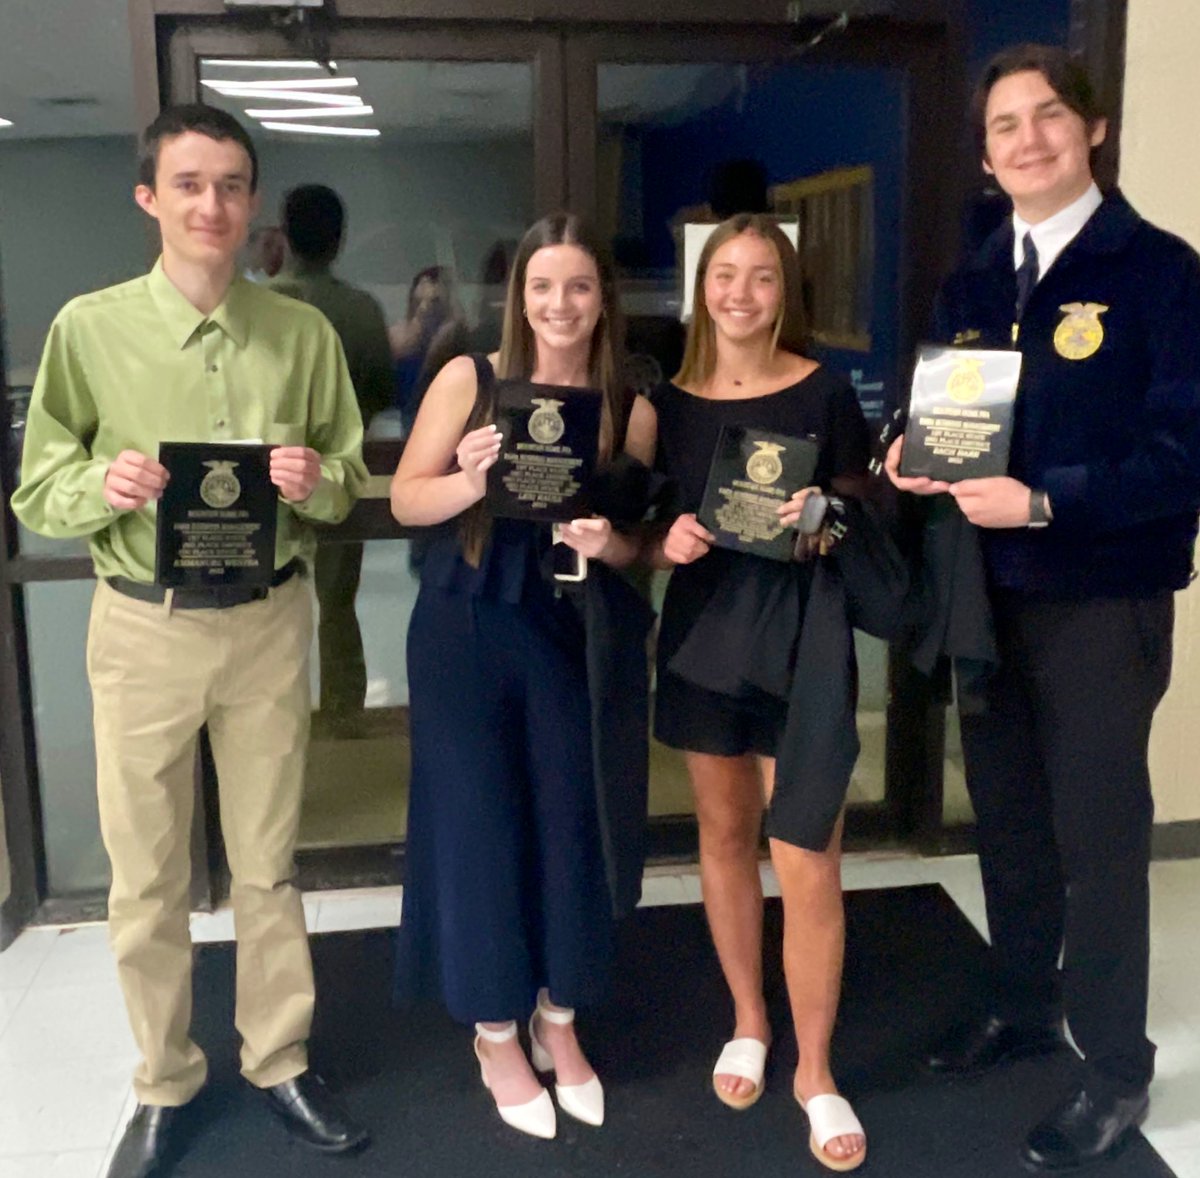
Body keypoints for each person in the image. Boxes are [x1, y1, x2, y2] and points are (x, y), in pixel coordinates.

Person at [12, 105, 370, 1178]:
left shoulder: (301, 333)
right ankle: (165, 1075)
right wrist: (97, 483)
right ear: (150, 197)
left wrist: (318, 481)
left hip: (266, 622)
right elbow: (37, 483)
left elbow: (348, 480)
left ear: (252, 201)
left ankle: (280, 1056)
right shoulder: (89, 327)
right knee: (146, 874)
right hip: (143, 627)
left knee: (267, 862)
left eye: (230, 185)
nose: (210, 204)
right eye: (189, 183)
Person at [886, 44, 1200, 1173]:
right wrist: (910, 454)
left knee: (1100, 843)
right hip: (987, 599)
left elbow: (1182, 458)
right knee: (1009, 822)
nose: (1028, 139)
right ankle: (1022, 1003)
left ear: (1094, 129)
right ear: (986, 154)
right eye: (1006, 126)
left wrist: (1044, 500)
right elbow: (947, 419)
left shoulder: (1160, 271)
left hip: (1098, 603)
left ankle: (1114, 1068)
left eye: (1048, 117)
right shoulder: (972, 280)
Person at [390, 212, 650, 1141]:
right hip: (464, 623)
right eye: (543, 286)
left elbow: (637, 547)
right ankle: (495, 1030)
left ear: (602, 299)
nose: (560, 304)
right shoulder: (472, 379)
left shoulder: (630, 403)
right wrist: (468, 480)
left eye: (579, 286)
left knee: (568, 822)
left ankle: (559, 1018)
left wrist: (605, 540)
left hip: (570, 627)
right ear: (520, 296)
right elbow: (405, 496)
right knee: (479, 824)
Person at [625, 213, 870, 1172]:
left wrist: (826, 519)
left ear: (785, 290)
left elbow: (865, 508)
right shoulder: (665, 405)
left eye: (761, 276)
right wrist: (665, 542)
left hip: (803, 650)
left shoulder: (825, 390)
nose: (740, 293)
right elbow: (636, 529)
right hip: (702, 646)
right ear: (701, 290)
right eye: (724, 275)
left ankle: (815, 1070)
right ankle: (749, 1018)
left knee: (806, 857)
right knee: (723, 839)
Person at [271, 183, 393, 733]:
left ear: (283, 233)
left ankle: (280, 720)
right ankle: (345, 714)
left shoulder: (261, 305)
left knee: (270, 601)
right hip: (344, 473)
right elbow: (384, 389)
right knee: (337, 601)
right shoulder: (361, 308)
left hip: (266, 474)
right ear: (339, 238)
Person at [389, 264, 470, 430]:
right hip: (401, 425)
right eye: (418, 301)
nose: (424, 308)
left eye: (434, 302)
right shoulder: (397, 338)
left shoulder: (456, 340)